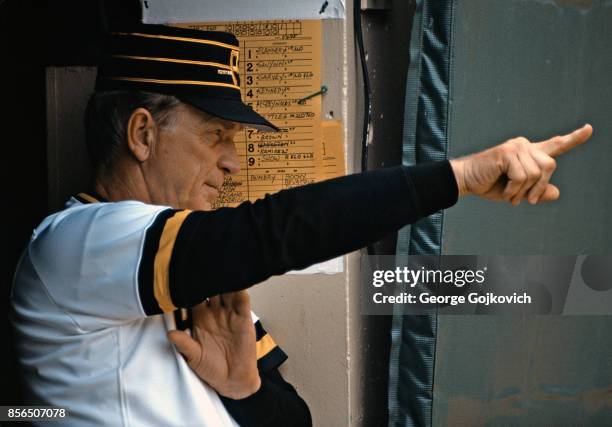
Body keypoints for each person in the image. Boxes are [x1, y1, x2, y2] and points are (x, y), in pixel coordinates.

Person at [10, 24, 592, 426]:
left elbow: (294, 419)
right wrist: (456, 177)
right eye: (216, 136)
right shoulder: (76, 241)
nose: (232, 162)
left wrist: (246, 389)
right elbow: (276, 231)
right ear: (141, 134)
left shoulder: (198, 260)